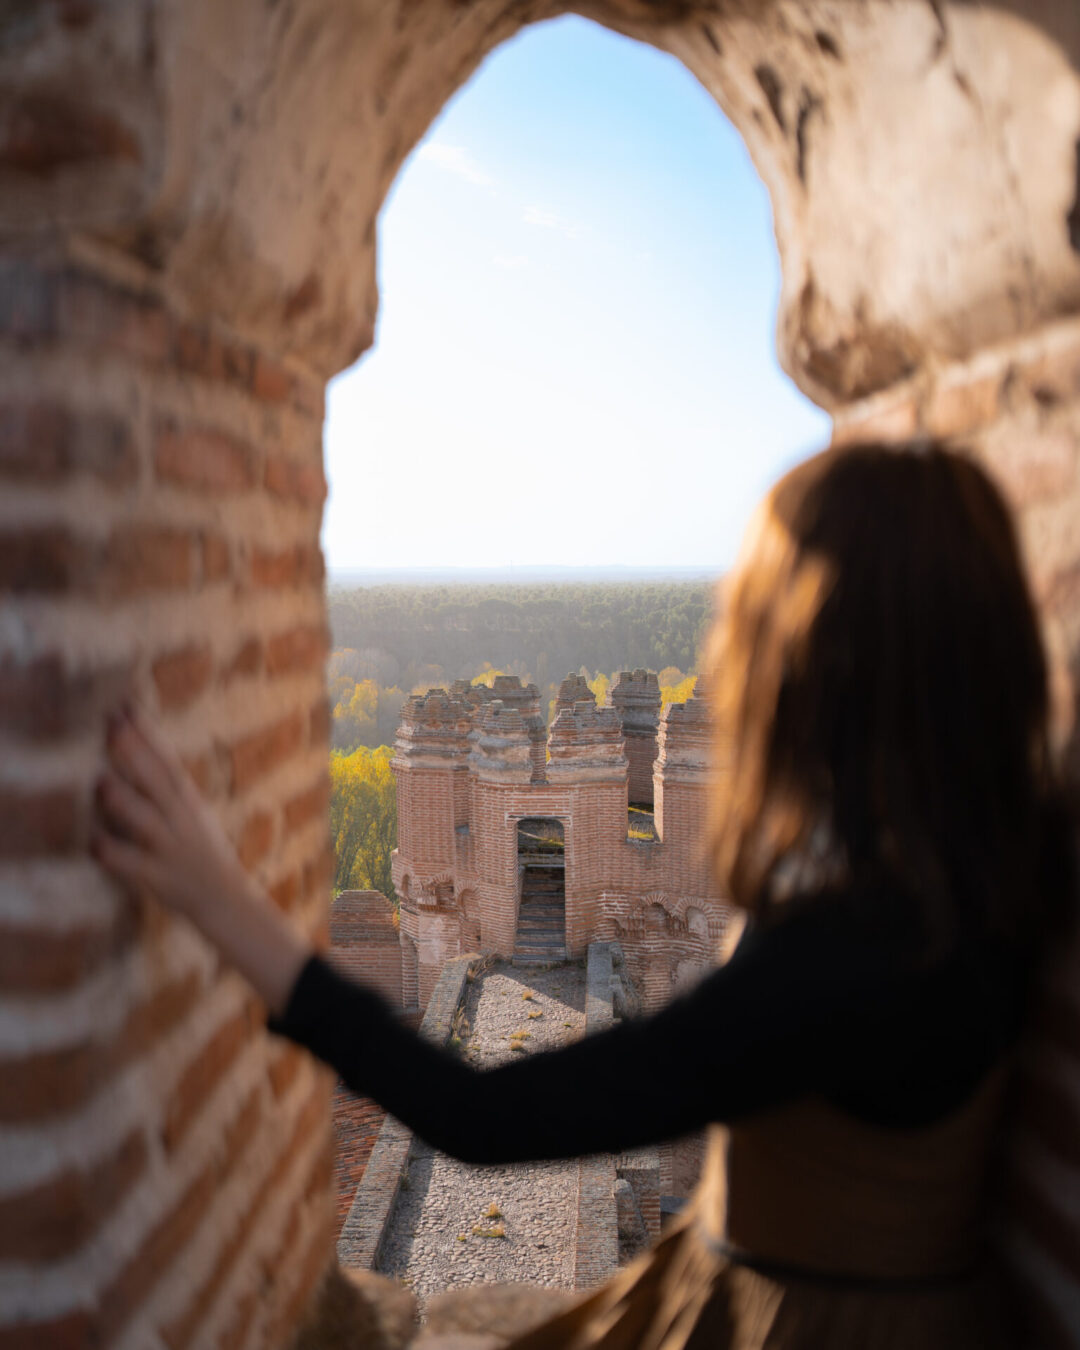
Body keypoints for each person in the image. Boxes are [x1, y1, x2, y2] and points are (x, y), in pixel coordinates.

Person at [92, 441, 1074, 1350]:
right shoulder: (997, 870)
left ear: (810, 669)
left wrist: (223, 903)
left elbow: (484, 1117)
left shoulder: (852, 955)